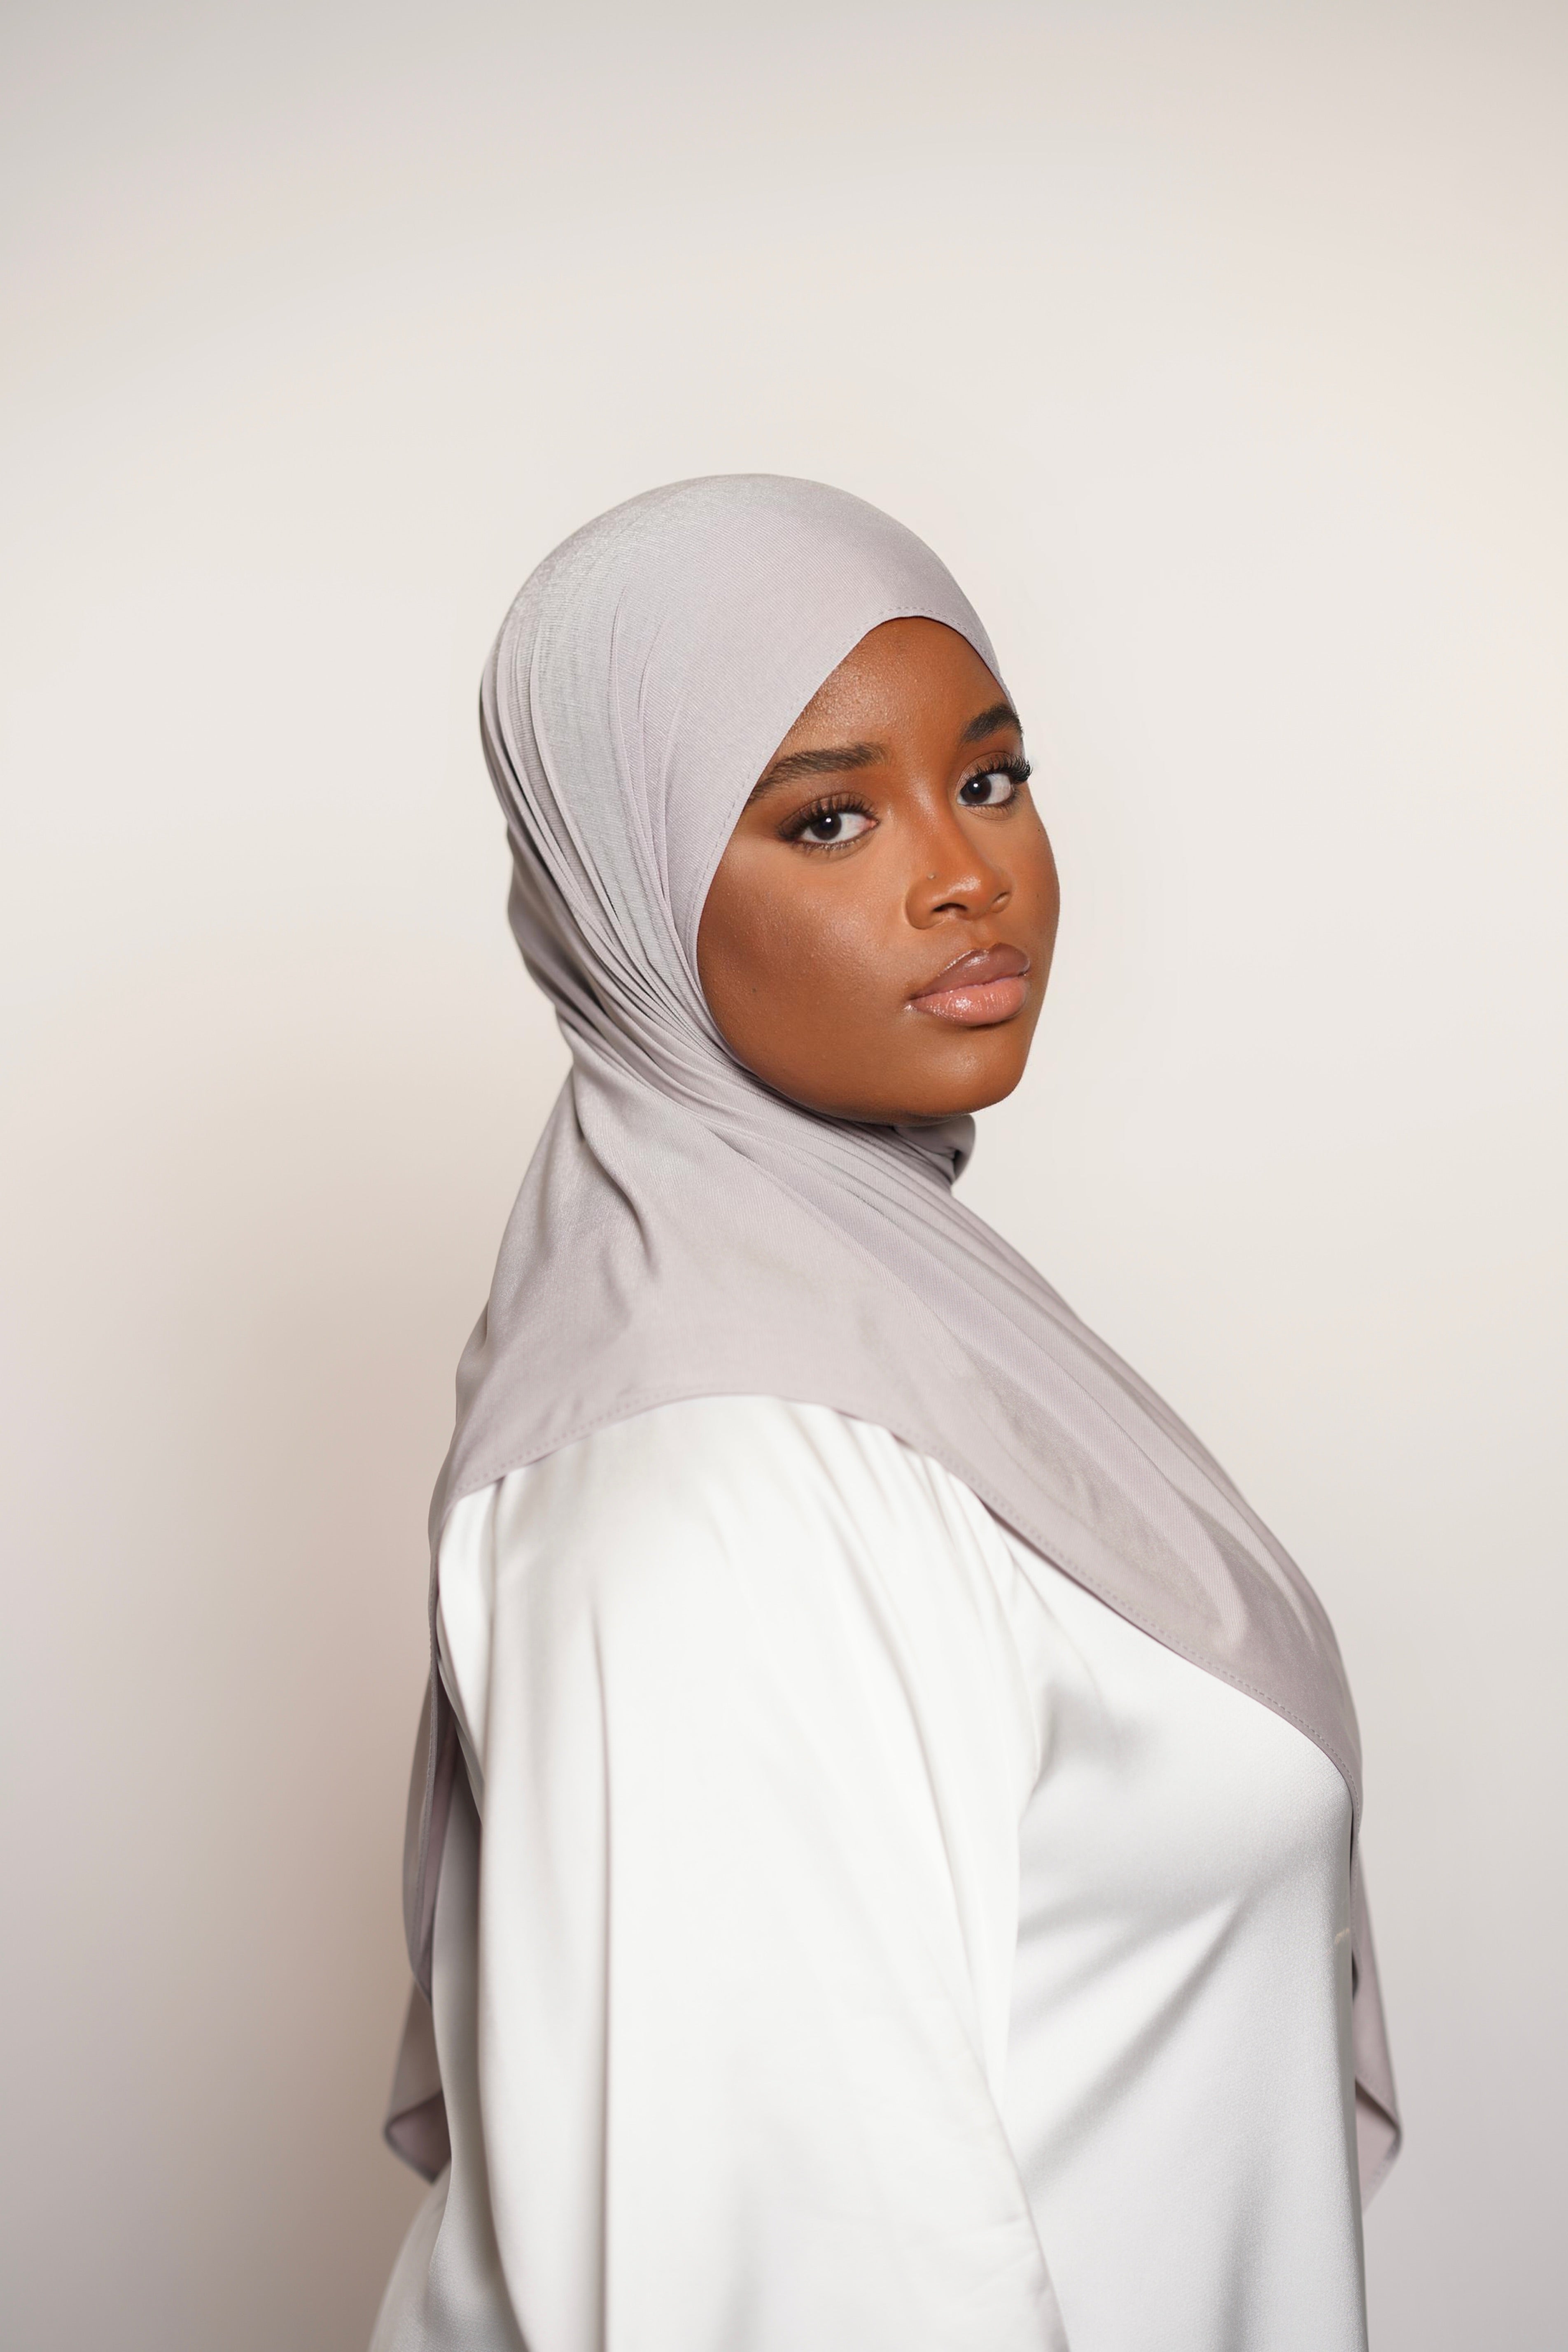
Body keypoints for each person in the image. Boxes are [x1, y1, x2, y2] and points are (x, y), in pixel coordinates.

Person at [370, 476, 1398, 2352]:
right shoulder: (714, 1474)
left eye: (989, 779)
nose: (963, 875)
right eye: (827, 818)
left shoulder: (913, 1333)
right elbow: (810, 2279)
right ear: (623, 890)